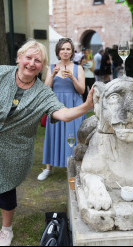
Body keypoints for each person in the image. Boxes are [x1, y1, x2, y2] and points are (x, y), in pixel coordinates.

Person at [0, 39, 94, 246]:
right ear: (19, 58)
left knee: (5, 190)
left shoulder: (43, 92)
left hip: (13, 147)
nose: (31, 63)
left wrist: (87, 106)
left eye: (38, 60)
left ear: (42, 66)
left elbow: (62, 113)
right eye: (28, 57)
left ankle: (6, 230)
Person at [38, 38, 86, 181]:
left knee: (73, 135)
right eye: (62, 49)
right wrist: (52, 75)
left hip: (73, 104)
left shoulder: (78, 68)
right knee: (53, 134)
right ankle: (48, 168)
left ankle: (75, 168)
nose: (65, 51)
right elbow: (46, 89)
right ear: (58, 51)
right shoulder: (52, 68)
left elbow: (82, 90)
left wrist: (72, 77)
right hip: (56, 105)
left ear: (72, 52)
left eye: (68, 49)